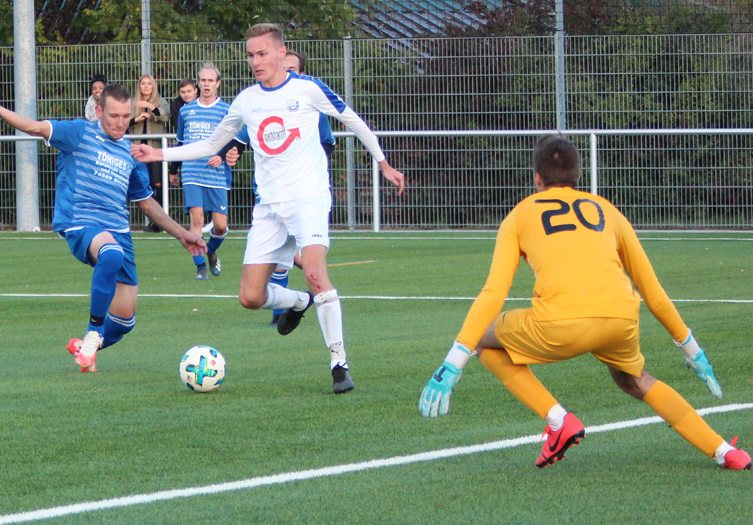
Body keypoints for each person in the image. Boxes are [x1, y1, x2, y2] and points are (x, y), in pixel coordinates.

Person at [418, 134, 751, 470]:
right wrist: (692, 349)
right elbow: (654, 292)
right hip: (620, 319)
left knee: (484, 341)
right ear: (579, 177)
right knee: (633, 379)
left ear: (537, 177)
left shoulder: (519, 216)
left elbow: (493, 294)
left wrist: (452, 363)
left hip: (559, 324)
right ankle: (725, 452)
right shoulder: (608, 210)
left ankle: (558, 420)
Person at [132, 23, 405, 394]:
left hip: (308, 198)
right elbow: (211, 143)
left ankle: (338, 363)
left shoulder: (306, 89)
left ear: (280, 53)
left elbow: (351, 118)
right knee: (250, 297)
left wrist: (383, 162)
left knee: (314, 272)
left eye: (262, 54)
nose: (255, 61)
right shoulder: (246, 100)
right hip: (269, 207)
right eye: (250, 55)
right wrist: (158, 153)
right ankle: (298, 302)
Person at [0, 84, 206, 373]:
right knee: (110, 254)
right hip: (81, 225)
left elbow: (146, 203)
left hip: (119, 232)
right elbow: (33, 127)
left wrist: (183, 234)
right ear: (98, 111)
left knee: (123, 323)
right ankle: (93, 332)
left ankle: (85, 346)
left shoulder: (130, 154)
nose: (120, 123)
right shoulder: (79, 133)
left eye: (125, 116)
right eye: (113, 115)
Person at [225, 48, 337, 326]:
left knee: (306, 265)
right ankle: (293, 304)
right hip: (269, 197)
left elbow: (326, 147)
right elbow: (238, 140)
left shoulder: (311, 106)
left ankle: (334, 354)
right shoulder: (258, 103)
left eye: (293, 69)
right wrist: (230, 153)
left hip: (303, 195)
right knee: (262, 278)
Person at [169, 63, 235, 280]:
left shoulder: (227, 110)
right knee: (196, 220)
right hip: (192, 172)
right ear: (198, 84)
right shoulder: (186, 111)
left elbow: (234, 140)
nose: (206, 84)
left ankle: (212, 250)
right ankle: (200, 268)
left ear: (218, 84)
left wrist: (223, 155)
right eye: (203, 80)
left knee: (220, 225)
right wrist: (173, 170)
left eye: (210, 80)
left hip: (216, 173)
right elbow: (181, 142)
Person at [128, 75, 170, 231]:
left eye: (148, 84)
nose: (146, 87)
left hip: (155, 149)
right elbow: (125, 121)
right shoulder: (133, 103)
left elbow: (165, 116)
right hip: (138, 150)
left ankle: (161, 221)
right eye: (143, 84)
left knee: (158, 183)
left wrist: (151, 108)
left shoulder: (160, 101)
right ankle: (152, 221)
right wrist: (137, 119)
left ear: (153, 86)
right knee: (144, 183)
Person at [167, 77, 198, 198]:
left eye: (189, 91)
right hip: (188, 150)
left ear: (196, 90)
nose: (186, 95)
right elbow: (181, 137)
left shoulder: (205, 100)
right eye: (183, 92)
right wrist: (173, 170)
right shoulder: (176, 106)